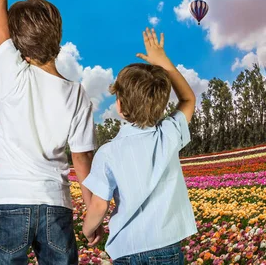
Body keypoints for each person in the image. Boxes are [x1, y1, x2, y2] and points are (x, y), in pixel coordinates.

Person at [0, 0, 97, 265]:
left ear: (16, 44)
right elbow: (82, 163)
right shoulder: (77, 93)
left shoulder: (12, 74)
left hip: (9, 201)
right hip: (55, 207)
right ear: (59, 34)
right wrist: (93, 216)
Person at [82, 28, 198, 265]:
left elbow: (99, 204)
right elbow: (188, 99)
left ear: (120, 106)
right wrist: (164, 62)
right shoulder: (169, 132)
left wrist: (88, 229)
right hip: (167, 246)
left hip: (127, 248)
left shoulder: (108, 152)